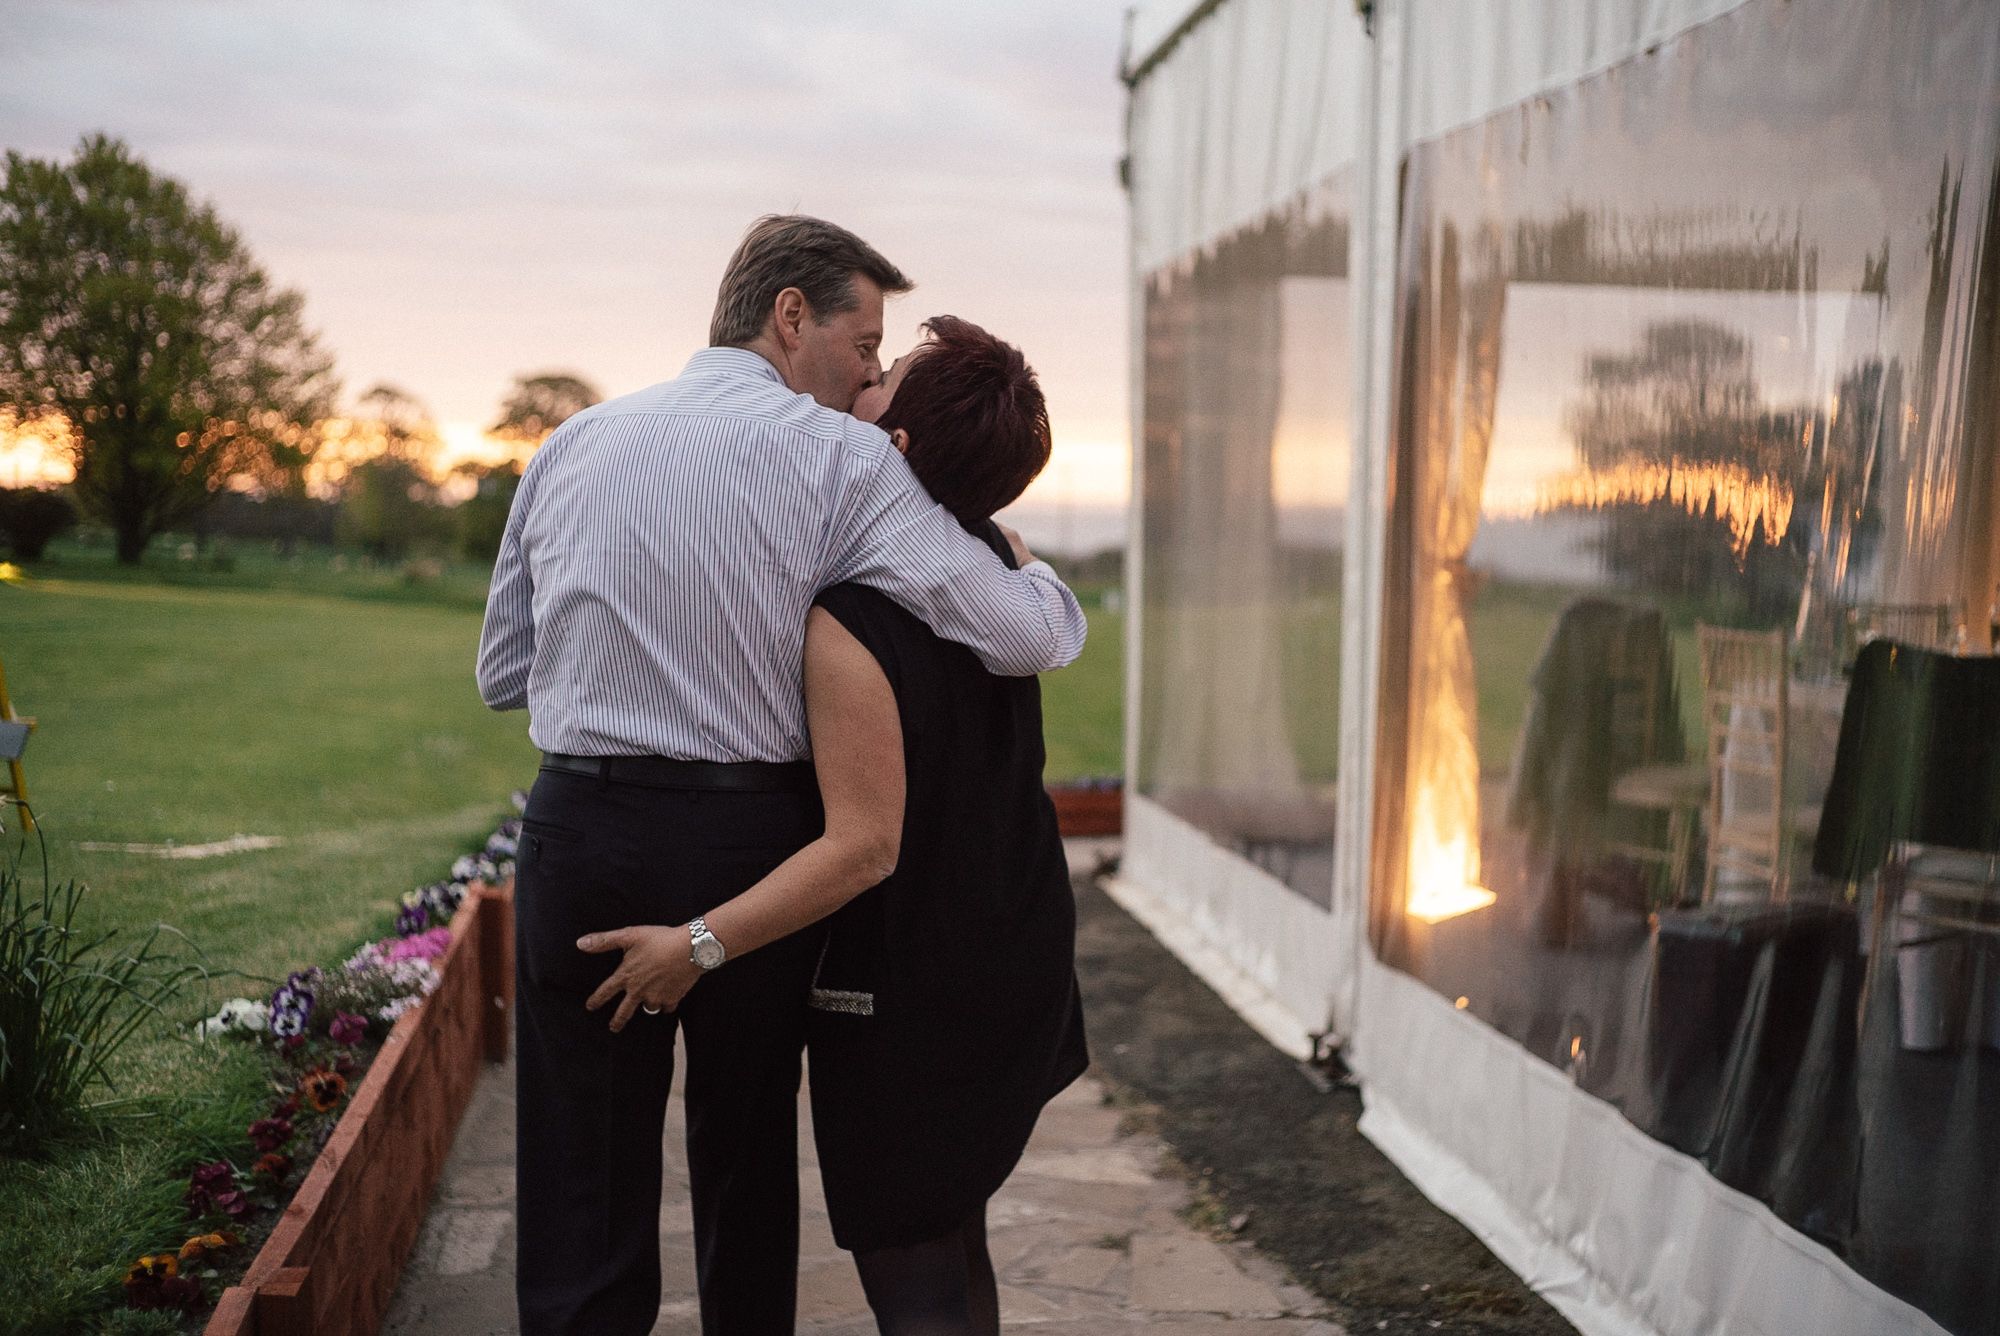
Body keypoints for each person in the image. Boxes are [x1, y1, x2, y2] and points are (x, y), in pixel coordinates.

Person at [476, 218, 1088, 1336]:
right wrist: (1041, 583)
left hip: (578, 830)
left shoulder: (573, 441)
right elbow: (1017, 630)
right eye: (864, 342)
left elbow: (502, 673)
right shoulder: (845, 460)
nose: (867, 369)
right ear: (790, 315)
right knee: (741, 1151)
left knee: (577, 1165)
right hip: (743, 836)